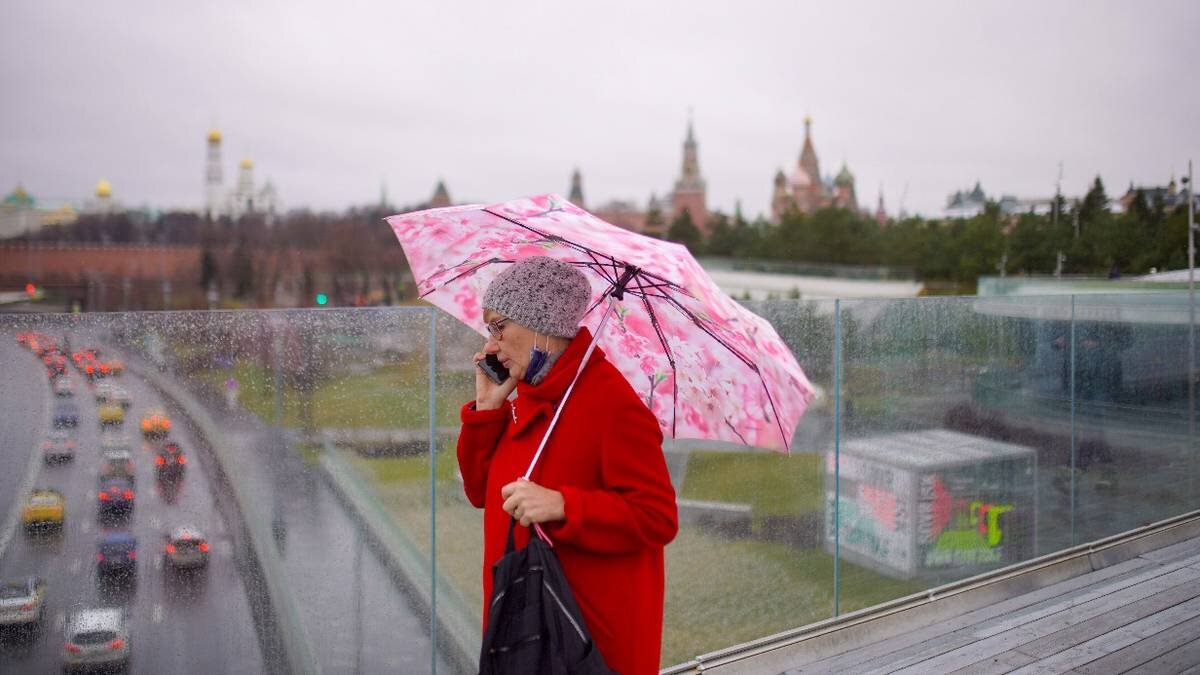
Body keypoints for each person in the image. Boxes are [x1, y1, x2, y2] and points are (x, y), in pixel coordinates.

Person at [457, 256, 679, 675]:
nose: (490, 346)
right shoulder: (529, 397)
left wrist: (564, 505)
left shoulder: (611, 404)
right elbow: (478, 491)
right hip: (523, 629)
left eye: (499, 326)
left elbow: (657, 517)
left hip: (583, 641)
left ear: (541, 323)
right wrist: (486, 411)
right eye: (489, 330)